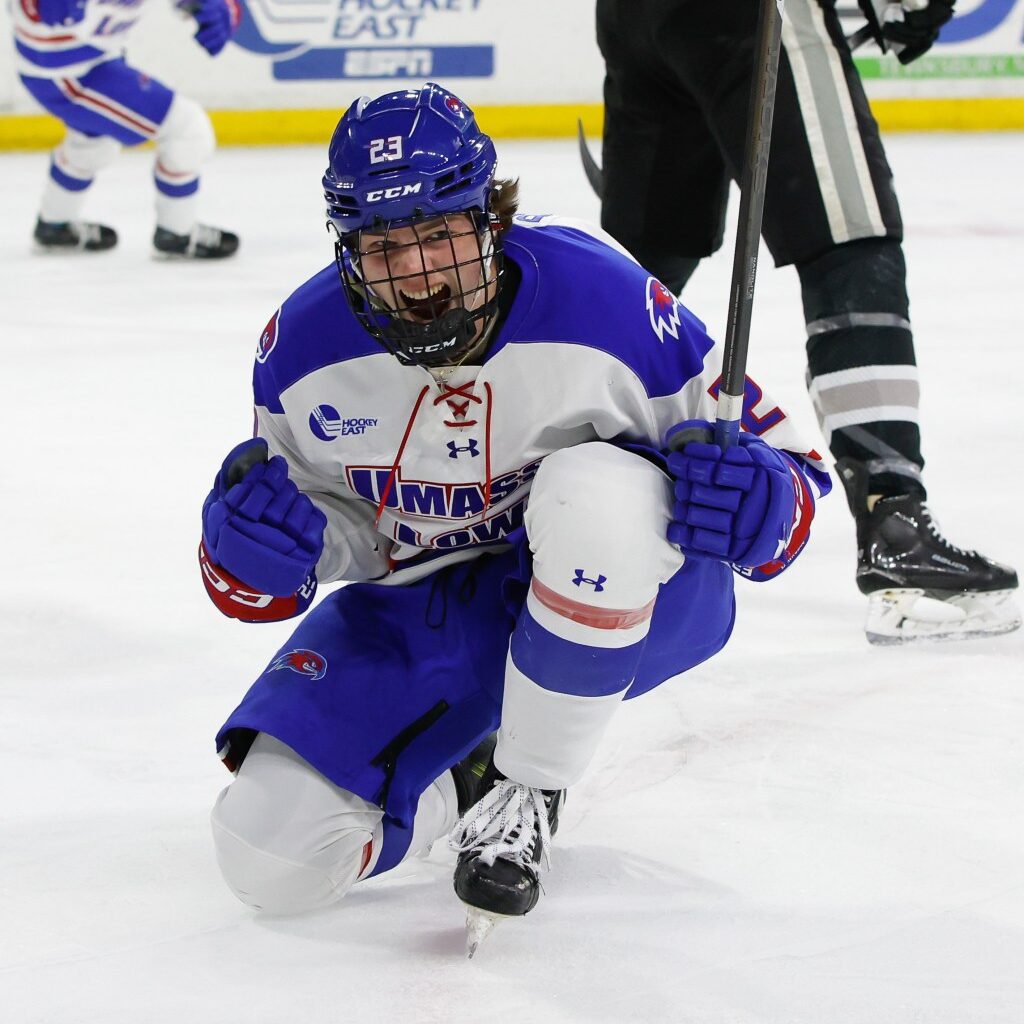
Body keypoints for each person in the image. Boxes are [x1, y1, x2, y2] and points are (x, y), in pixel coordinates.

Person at [199, 83, 830, 951]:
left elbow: (791, 464)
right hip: (419, 612)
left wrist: (765, 503)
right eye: (385, 243)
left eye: (437, 233)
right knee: (266, 860)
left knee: (595, 490)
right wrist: (267, 554)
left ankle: (528, 788)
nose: (417, 271)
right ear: (348, 248)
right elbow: (341, 527)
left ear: (490, 218)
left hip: (618, 590)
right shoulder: (300, 350)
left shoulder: (606, 303)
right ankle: (464, 782)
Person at [594, 0, 1019, 643]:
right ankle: (894, 526)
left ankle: (517, 485)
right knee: (851, 245)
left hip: (635, 19)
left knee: (645, 267)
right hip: (755, 18)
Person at [13, 0, 239, 257]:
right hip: (67, 70)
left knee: (94, 144)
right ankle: (177, 233)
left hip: (90, 57)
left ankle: (55, 225)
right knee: (187, 130)